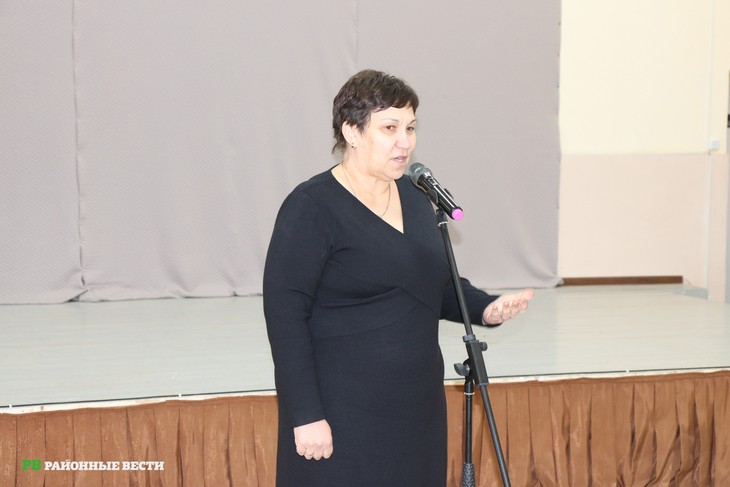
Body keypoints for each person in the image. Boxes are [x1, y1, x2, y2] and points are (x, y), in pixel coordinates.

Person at [263, 69, 534, 487]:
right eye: (390, 128)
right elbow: (285, 318)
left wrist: (486, 308)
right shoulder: (311, 206)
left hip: (416, 409)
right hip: (341, 410)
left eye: (410, 128)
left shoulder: (415, 196)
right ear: (351, 131)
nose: (405, 142)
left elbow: (433, 282)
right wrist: (306, 414)